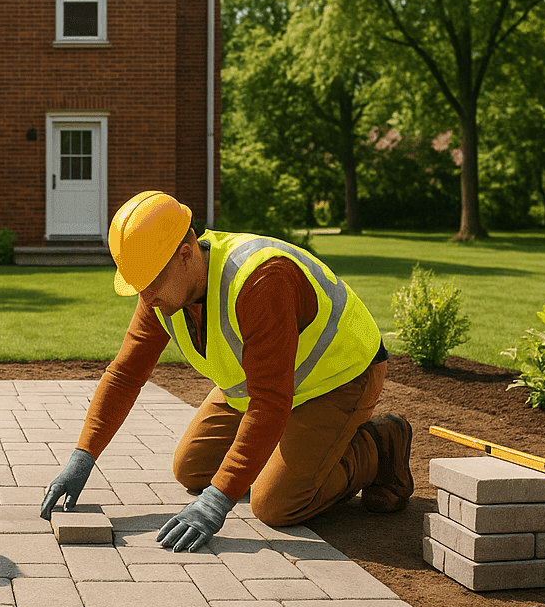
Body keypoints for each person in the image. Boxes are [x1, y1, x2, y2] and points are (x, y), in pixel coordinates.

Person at [40, 190, 412, 552]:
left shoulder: (260, 279)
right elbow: (125, 375)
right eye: (139, 288)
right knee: (192, 470)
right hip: (264, 386)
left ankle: (379, 445)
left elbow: (270, 402)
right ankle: (294, 452)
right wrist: (82, 456)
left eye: (150, 284)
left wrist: (216, 503)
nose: (146, 299)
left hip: (337, 378)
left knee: (275, 505)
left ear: (185, 255)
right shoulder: (163, 295)